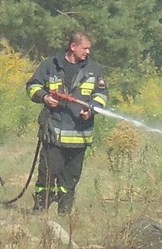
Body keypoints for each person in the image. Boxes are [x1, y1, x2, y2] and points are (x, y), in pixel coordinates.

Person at [26, 31, 107, 214]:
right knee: (47, 173)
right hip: (53, 132)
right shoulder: (50, 65)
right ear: (73, 47)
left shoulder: (94, 69)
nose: (88, 52)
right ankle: (40, 209)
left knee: (70, 178)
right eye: (85, 48)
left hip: (80, 135)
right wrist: (45, 97)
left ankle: (64, 211)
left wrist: (92, 108)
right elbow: (32, 86)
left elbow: (102, 95)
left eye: (89, 49)